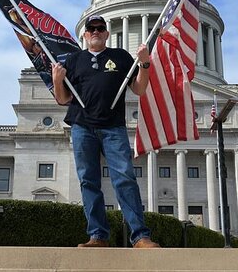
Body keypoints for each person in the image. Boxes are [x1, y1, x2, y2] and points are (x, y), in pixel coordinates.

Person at [52, 15, 160, 249]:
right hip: (82, 126)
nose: (96, 32)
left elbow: (139, 89)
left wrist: (144, 64)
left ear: (107, 33)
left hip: (113, 126)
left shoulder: (120, 56)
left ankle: (140, 236)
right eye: (91, 28)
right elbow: (62, 99)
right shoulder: (73, 60)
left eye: (101, 28)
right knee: (88, 181)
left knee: (125, 179)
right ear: (85, 34)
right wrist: (58, 80)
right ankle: (98, 236)